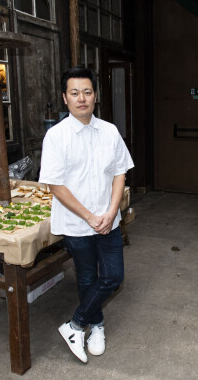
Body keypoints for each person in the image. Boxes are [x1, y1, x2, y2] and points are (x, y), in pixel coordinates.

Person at [39, 66, 134, 363]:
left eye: (87, 92)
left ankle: (75, 324)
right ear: (64, 98)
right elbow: (56, 184)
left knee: (113, 275)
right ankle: (96, 326)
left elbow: (120, 172)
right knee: (87, 276)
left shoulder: (109, 131)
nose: (82, 98)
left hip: (108, 220)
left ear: (96, 96)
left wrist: (110, 210)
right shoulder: (56, 136)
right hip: (76, 223)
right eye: (75, 93)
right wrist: (89, 217)